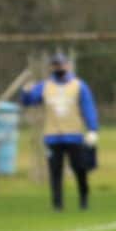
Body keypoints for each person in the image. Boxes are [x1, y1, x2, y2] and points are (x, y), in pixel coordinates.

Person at [21, 53, 98, 211]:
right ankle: (57, 204)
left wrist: (92, 129)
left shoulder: (78, 86)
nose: (59, 68)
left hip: (74, 135)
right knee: (55, 172)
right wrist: (26, 91)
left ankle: (83, 199)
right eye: (55, 65)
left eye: (61, 65)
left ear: (68, 66)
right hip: (52, 136)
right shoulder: (45, 86)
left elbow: (88, 107)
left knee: (80, 169)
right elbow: (29, 101)